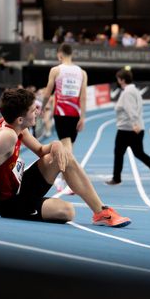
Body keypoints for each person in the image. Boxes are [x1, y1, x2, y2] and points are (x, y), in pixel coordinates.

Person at [0, 88, 131, 228]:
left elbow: (40, 150)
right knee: (67, 211)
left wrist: (55, 145)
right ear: (21, 118)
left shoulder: (17, 126)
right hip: (10, 203)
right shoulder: (6, 137)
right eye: (33, 109)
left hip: (20, 185)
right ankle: (94, 212)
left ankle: (101, 212)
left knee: (62, 154)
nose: (38, 111)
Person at [105, 68, 150, 186]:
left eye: (118, 79)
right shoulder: (134, 90)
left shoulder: (127, 93)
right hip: (132, 128)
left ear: (122, 80)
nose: (117, 82)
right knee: (137, 153)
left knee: (120, 152)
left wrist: (134, 124)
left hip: (128, 129)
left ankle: (117, 178)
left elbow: (130, 110)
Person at [41, 43, 87, 193]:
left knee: (67, 151)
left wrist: (41, 108)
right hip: (75, 114)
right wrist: (83, 117)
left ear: (60, 55)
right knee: (68, 148)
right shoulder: (82, 73)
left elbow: (48, 93)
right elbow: (83, 97)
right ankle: (64, 180)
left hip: (61, 113)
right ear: (71, 54)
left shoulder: (56, 70)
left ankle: (72, 183)